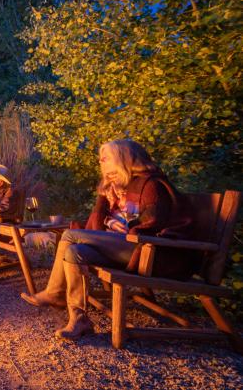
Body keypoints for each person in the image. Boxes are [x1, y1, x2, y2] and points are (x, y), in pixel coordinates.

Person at [20, 140, 195, 340]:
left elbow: (151, 224)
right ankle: (79, 318)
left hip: (150, 252)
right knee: (73, 252)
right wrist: (104, 200)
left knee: (69, 236)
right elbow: (97, 225)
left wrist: (127, 226)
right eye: (100, 158)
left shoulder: (151, 184)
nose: (101, 161)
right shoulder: (120, 185)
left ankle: (55, 292)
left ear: (124, 158)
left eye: (106, 157)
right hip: (124, 245)